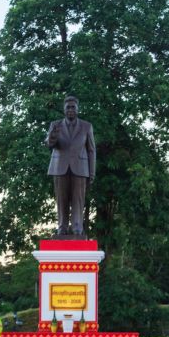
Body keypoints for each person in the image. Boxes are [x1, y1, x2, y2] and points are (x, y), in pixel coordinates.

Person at [46, 95, 96, 236]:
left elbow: (92, 150)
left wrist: (92, 172)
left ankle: (77, 227)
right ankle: (61, 227)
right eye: (68, 107)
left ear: (78, 109)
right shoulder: (55, 125)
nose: (70, 110)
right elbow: (50, 144)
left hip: (80, 169)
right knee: (61, 200)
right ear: (64, 109)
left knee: (78, 200)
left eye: (73, 107)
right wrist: (53, 135)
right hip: (59, 167)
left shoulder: (87, 126)